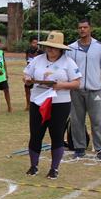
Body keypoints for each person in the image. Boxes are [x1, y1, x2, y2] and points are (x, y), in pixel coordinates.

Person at [24, 31, 82, 179]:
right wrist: (28, 79)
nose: (50, 50)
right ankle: (33, 166)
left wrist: (61, 85)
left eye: (54, 47)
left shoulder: (68, 62)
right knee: (36, 134)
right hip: (38, 101)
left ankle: (54, 168)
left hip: (59, 103)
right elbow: (26, 74)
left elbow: (77, 83)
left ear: (61, 49)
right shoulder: (37, 60)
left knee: (56, 135)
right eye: (48, 47)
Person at [68, 19, 101, 161]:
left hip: (95, 90)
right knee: (76, 121)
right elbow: (66, 68)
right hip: (76, 90)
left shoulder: (99, 47)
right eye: (80, 28)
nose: (82, 30)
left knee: (97, 121)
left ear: (90, 28)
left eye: (85, 27)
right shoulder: (71, 48)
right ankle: (79, 148)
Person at [24, 35, 44, 109]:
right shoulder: (28, 51)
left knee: (37, 88)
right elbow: (27, 60)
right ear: (30, 43)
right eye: (33, 43)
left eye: (36, 43)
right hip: (30, 73)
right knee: (27, 88)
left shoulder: (41, 51)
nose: (35, 44)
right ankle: (28, 104)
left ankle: (38, 104)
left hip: (37, 73)